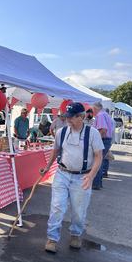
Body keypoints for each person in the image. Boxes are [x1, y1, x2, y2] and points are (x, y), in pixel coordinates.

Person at [41, 102, 104, 253]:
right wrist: (47, 167)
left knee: (79, 210)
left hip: (82, 177)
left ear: (81, 116)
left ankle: (75, 234)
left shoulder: (93, 133)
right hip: (62, 174)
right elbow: (55, 151)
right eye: (66, 116)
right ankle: (52, 238)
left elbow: (98, 156)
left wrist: (91, 175)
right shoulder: (61, 132)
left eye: (71, 117)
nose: (67, 119)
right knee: (57, 207)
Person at [92, 102, 114, 189]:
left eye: (93, 109)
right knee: (99, 161)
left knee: (97, 161)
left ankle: (96, 183)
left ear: (96, 108)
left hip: (103, 139)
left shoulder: (100, 115)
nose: (92, 111)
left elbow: (103, 130)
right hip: (106, 140)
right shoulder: (105, 114)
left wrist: (97, 140)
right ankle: (98, 183)